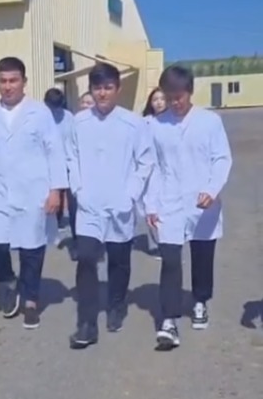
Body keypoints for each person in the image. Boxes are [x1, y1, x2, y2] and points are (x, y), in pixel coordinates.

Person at [0, 57, 67, 329]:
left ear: (24, 82)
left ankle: (31, 301)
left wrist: (56, 190)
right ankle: (8, 280)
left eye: (13, 80)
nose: (8, 86)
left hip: (33, 190)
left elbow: (54, 152)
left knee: (31, 246)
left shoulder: (40, 113)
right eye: (3, 81)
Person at [66, 62, 154, 350]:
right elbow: (71, 158)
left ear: (118, 88)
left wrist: (130, 194)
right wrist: (78, 189)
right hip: (89, 205)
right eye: (97, 88)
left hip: (120, 205)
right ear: (90, 89)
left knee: (118, 261)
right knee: (86, 259)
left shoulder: (133, 123)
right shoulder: (79, 122)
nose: (102, 93)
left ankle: (116, 304)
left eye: (107, 87)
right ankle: (87, 323)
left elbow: (145, 161)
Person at [144, 65, 232, 350]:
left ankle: (200, 301)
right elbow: (153, 167)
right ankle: (169, 320)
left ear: (190, 91)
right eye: (169, 97)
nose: (174, 102)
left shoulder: (210, 121)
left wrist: (212, 189)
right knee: (170, 259)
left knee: (202, 255)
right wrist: (151, 204)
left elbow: (222, 158)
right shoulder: (156, 126)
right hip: (168, 202)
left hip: (202, 201)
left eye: (179, 96)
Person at [43, 88, 76, 249]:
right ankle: (52, 230)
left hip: (67, 161)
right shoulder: (41, 116)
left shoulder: (68, 117)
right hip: (48, 162)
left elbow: (72, 139)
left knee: (72, 199)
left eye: (57, 107)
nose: (55, 110)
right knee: (51, 196)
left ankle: (75, 233)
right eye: (52, 106)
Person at [141, 87, 167, 258]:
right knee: (149, 207)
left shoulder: (172, 121)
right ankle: (156, 243)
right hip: (149, 170)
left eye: (162, 99)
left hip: (167, 171)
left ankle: (168, 244)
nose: (159, 102)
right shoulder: (145, 122)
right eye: (155, 99)